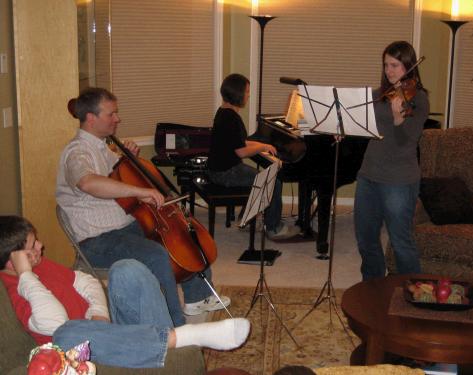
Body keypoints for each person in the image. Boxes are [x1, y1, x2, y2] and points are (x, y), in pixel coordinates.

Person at [56, 87, 229, 326]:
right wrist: (140, 191)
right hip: (97, 239)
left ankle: (197, 297)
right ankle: (173, 326)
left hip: (125, 226)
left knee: (180, 233)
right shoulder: (76, 152)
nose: (117, 119)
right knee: (157, 255)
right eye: (111, 114)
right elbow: (88, 182)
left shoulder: (101, 146)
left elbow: (120, 174)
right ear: (91, 118)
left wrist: (128, 159)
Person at [0, 215, 250, 368]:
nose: (41, 247)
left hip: (111, 332)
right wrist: (26, 276)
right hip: (88, 352)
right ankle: (182, 338)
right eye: (33, 246)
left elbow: (86, 282)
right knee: (67, 334)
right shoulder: (16, 289)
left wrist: (100, 313)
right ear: (14, 260)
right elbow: (55, 324)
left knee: (126, 268)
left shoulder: (43, 264)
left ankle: (168, 345)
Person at [354, 41, 429, 280]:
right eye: (386, 65)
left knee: (400, 242)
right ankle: (373, 287)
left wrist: (398, 119)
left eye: (395, 65)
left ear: (408, 65)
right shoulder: (378, 96)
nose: (389, 70)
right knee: (365, 238)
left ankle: (413, 290)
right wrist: (344, 129)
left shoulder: (419, 98)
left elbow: (408, 140)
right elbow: (364, 128)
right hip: (368, 175)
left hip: (398, 180)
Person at [207, 73, 300, 240]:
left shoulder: (224, 112)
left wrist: (261, 147)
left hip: (221, 167)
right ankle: (274, 228)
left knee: (261, 178)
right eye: (247, 91)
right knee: (273, 182)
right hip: (225, 172)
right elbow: (241, 151)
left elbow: (240, 143)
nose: (248, 95)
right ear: (237, 94)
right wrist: (263, 147)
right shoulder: (231, 118)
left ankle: (247, 220)